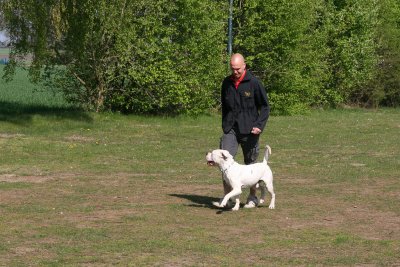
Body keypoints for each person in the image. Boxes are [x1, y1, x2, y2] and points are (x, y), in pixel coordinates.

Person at [219, 53, 270, 208]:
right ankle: (228, 199)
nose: (235, 72)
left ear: (244, 66)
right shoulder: (226, 83)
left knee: (251, 164)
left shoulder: (254, 83)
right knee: (224, 161)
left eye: (238, 69)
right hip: (231, 129)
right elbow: (225, 105)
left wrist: (259, 125)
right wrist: (225, 124)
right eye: (232, 69)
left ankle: (252, 197)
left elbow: (265, 106)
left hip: (250, 130)